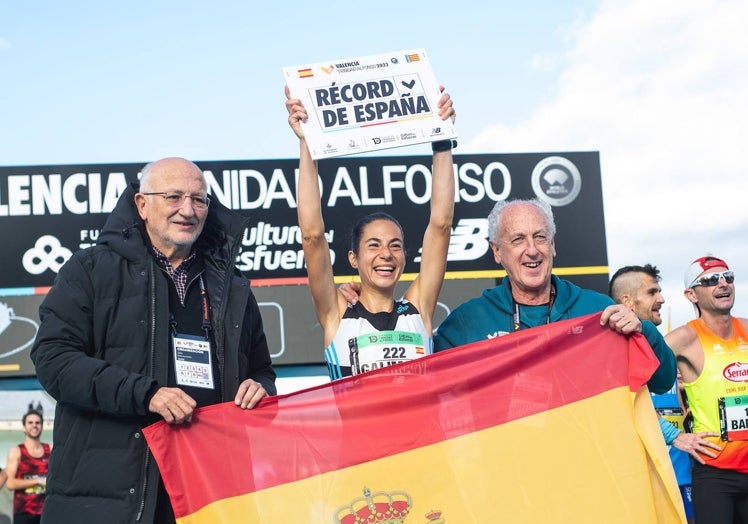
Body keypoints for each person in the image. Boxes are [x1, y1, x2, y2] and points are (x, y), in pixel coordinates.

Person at [30, 157, 277, 524]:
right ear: (142, 205)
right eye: (173, 196)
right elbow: (52, 359)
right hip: (110, 500)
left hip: (207, 495)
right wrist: (145, 394)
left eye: (199, 199)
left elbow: (262, 371)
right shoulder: (91, 269)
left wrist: (260, 387)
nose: (187, 210)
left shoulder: (233, 286)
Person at [285, 86, 456, 380]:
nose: (386, 254)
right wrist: (307, 143)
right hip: (356, 429)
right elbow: (312, 234)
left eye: (395, 245)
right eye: (373, 245)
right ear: (353, 258)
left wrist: (441, 140)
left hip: (422, 428)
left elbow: (440, 224)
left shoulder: (419, 309)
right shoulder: (336, 314)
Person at [432, 198, 676, 394]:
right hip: (506, 454)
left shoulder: (598, 310)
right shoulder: (467, 323)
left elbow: (662, 382)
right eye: (518, 239)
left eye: (540, 237)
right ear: (497, 251)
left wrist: (642, 331)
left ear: (553, 245)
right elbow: (434, 399)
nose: (532, 250)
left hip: (583, 454)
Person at [609, 263, 720, 523]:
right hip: (646, 479)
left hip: (684, 474)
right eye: (652, 292)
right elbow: (623, 408)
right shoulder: (613, 350)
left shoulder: (665, 347)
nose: (661, 298)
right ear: (628, 302)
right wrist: (674, 436)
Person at [666, 255, 748, 523]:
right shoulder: (683, 339)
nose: (723, 284)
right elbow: (630, 384)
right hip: (714, 472)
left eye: (728, 277)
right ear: (691, 294)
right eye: (711, 280)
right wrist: (673, 435)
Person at [5, 410, 51, 524]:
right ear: (24, 427)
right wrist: (39, 481)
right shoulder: (16, 451)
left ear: (41, 426)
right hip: (24, 512)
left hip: (47, 512)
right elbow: (10, 484)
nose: (34, 425)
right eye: (30, 423)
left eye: (37, 422)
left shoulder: (50, 449)